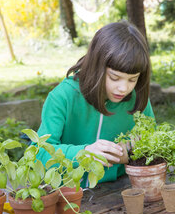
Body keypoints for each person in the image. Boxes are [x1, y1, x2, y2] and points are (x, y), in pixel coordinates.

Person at [36, 20, 155, 187]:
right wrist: (83, 153)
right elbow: (39, 154)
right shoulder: (63, 97)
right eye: (114, 77)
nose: (123, 88)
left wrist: (130, 154)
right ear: (96, 67)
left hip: (119, 190)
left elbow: (155, 144)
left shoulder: (137, 96)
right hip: (67, 194)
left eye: (132, 79)